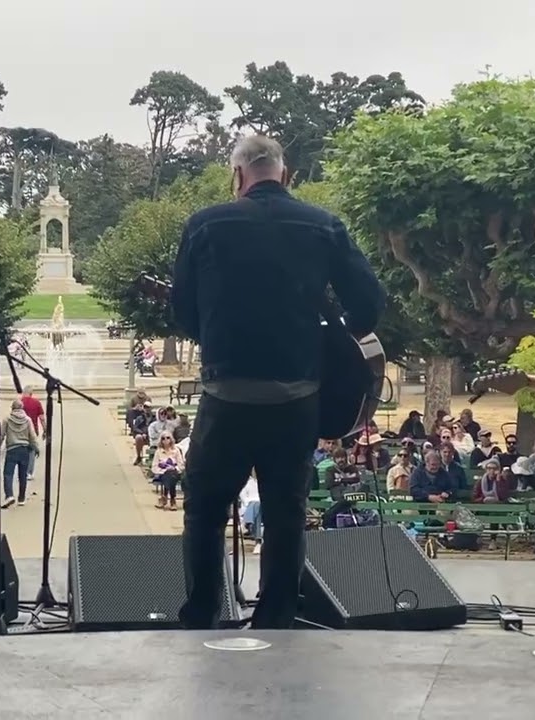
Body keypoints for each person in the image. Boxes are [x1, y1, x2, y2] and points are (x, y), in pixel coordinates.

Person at [171, 135, 385, 630]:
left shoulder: (204, 225)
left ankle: (201, 614)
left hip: (226, 395)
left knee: (205, 510)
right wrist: (331, 338)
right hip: (296, 397)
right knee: (285, 512)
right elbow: (369, 305)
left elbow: (184, 311)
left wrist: (221, 338)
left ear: (238, 175)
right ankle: (276, 617)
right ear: (285, 176)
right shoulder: (323, 225)